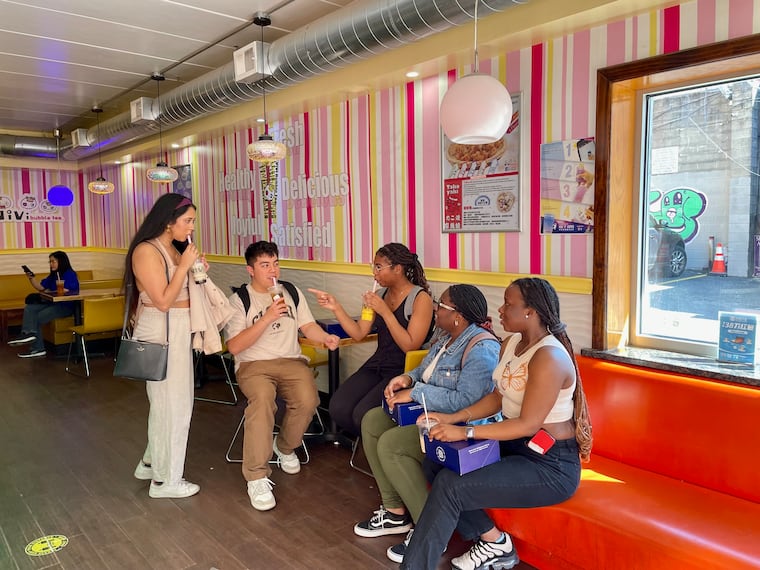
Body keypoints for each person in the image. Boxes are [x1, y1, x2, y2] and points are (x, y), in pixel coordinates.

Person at [401, 278, 593, 570]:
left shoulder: (549, 357)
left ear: (532, 312)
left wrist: (464, 432)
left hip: (549, 464)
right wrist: (452, 417)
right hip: (514, 446)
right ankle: (494, 541)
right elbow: (497, 397)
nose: (500, 310)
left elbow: (528, 424)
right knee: (436, 461)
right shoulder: (512, 343)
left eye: (509, 304)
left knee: (451, 485)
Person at [356, 285, 501, 564]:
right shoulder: (447, 338)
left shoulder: (481, 348)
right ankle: (395, 511)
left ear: (457, 315)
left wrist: (416, 393)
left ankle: (431, 531)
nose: (436, 308)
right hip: (431, 415)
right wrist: (407, 380)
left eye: (441, 306)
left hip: (464, 428)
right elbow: (424, 371)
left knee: (392, 444)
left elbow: (467, 401)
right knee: (373, 420)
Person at [224, 240, 340, 511]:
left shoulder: (290, 291)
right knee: (263, 401)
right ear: (250, 270)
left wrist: (326, 339)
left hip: (290, 360)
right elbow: (235, 346)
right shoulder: (239, 300)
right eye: (265, 265)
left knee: (309, 400)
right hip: (254, 365)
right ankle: (256, 476)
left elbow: (308, 326)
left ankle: (285, 447)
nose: (272, 270)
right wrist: (266, 317)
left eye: (275, 263)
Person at [125, 193, 205, 499]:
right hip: (163, 332)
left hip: (177, 329)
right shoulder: (147, 252)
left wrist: (195, 269)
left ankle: (151, 464)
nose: (191, 228)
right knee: (173, 406)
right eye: (187, 221)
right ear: (168, 222)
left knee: (168, 404)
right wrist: (185, 267)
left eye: (193, 221)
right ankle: (166, 480)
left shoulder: (173, 248)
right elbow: (161, 301)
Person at [309, 243, 434, 437]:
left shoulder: (420, 299)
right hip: (378, 363)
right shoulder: (379, 294)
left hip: (404, 369)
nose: (374, 273)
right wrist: (336, 308)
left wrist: (384, 311)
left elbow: (410, 345)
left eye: (378, 267)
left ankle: (378, 444)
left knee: (362, 414)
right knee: (338, 407)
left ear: (397, 269)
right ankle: (367, 442)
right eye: (373, 266)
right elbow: (359, 333)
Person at [9, 251, 80, 358]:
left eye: (53, 261)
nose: (51, 264)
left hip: (65, 306)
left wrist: (55, 290)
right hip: (52, 304)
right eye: (50, 262)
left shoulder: (70, 274)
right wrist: (31, 278)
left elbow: (69, 290)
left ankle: (37, 348)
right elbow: (41, 287)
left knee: (37, 317)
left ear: (61, 261)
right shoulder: (53, 275)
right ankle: (27, 334)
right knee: (30, 308)